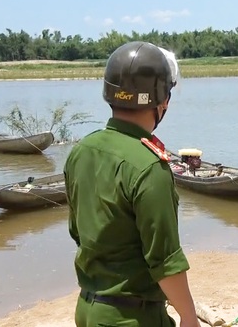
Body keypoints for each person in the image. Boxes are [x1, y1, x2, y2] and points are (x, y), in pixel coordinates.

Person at [64, 41, 201, 327]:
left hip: (88, 309)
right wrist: (189, 317)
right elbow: (165, 262)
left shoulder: (82, 151)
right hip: (131, 317)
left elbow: (78, 232)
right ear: (162, 101)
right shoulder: (150, 167)